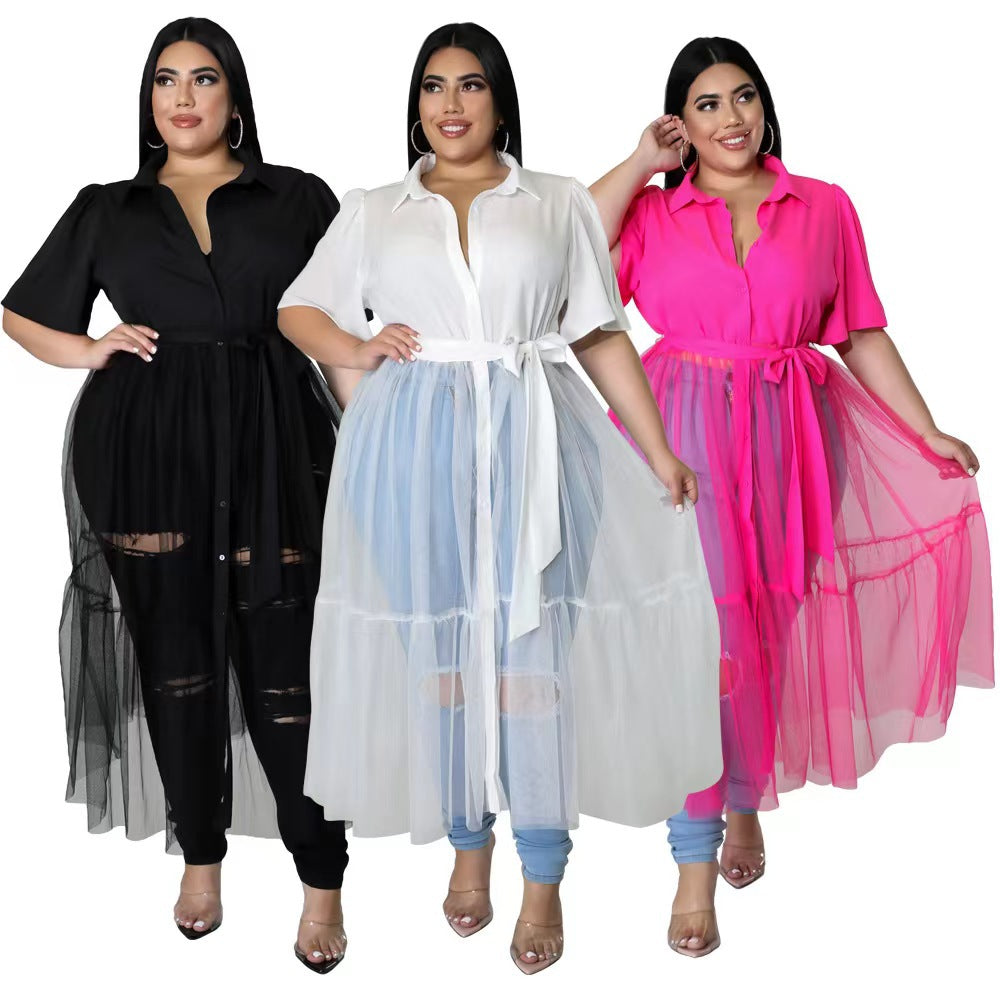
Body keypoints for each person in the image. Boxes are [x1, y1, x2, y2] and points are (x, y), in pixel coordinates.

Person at [278, 21, 724, 975]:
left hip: (536, 441)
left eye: (471, 85)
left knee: (534, 661)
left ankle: (543, 873)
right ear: (415, 107)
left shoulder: (555, 200)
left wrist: (657, 451)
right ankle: (467, 840)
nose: (451, 104)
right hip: (411, 453)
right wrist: (357, 348)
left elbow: (598, 331)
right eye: (434, 87)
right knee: (440, 658)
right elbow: (299, 307)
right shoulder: (375, 208)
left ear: (500, 101)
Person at [589, 35, 994, 957]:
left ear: (765, 108)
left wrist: (926, 430)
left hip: (792, 436)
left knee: (766, 629)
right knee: (701, 641)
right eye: (707, 104)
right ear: (680, 123)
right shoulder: (651, 212)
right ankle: (694, 863)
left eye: (744, 97)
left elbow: (861, 332)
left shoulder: (824, 206)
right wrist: (640, 162)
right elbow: (569, 246)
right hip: (679, 437)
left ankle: (745, 796)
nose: (731, 118)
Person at [2, 17, 350, 973]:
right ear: (148, 100)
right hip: (146, 451)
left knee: (291, 671)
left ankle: (321, 877)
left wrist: (370, 438)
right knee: (176, 664)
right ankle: (201, 857)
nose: (183, 97)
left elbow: (343, 322)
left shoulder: (299, 197)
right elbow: (22, 315)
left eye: (203, 78)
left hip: (278, 447)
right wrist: (91, 348)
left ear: (236, 97)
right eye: (165, 80)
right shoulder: (107, 207)